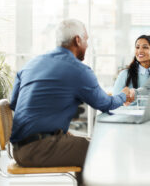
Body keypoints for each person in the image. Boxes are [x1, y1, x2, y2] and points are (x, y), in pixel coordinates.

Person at [9, 19, 131, 185]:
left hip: (18, 149)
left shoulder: (31, 64)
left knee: (87, 143)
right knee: (99, 151)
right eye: (86, 40)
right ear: (77, 40)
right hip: (38, 149)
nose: (87, 45)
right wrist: (124, 95)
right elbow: (105, 104)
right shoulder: (78, 70)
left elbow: (14, 104)